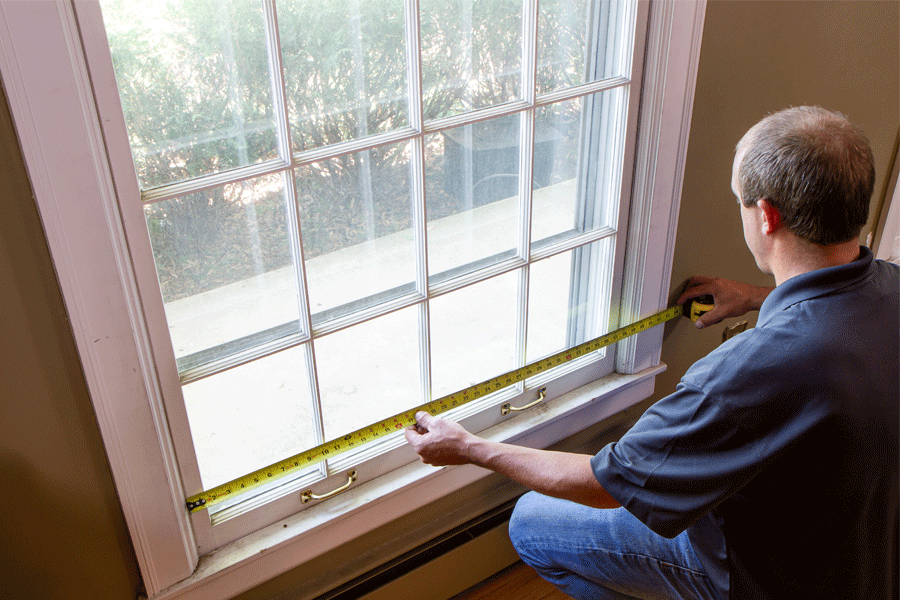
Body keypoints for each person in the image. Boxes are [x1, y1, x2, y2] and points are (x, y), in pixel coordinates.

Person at [405, 106, 899, 599]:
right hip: (866, 553)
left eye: (739, 201)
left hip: (766, 578)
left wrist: (470, 448)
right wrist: (756, 296)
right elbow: (835, 318)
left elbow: (606, 487)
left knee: (531, 524)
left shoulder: (743, 377)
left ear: (767, 216)